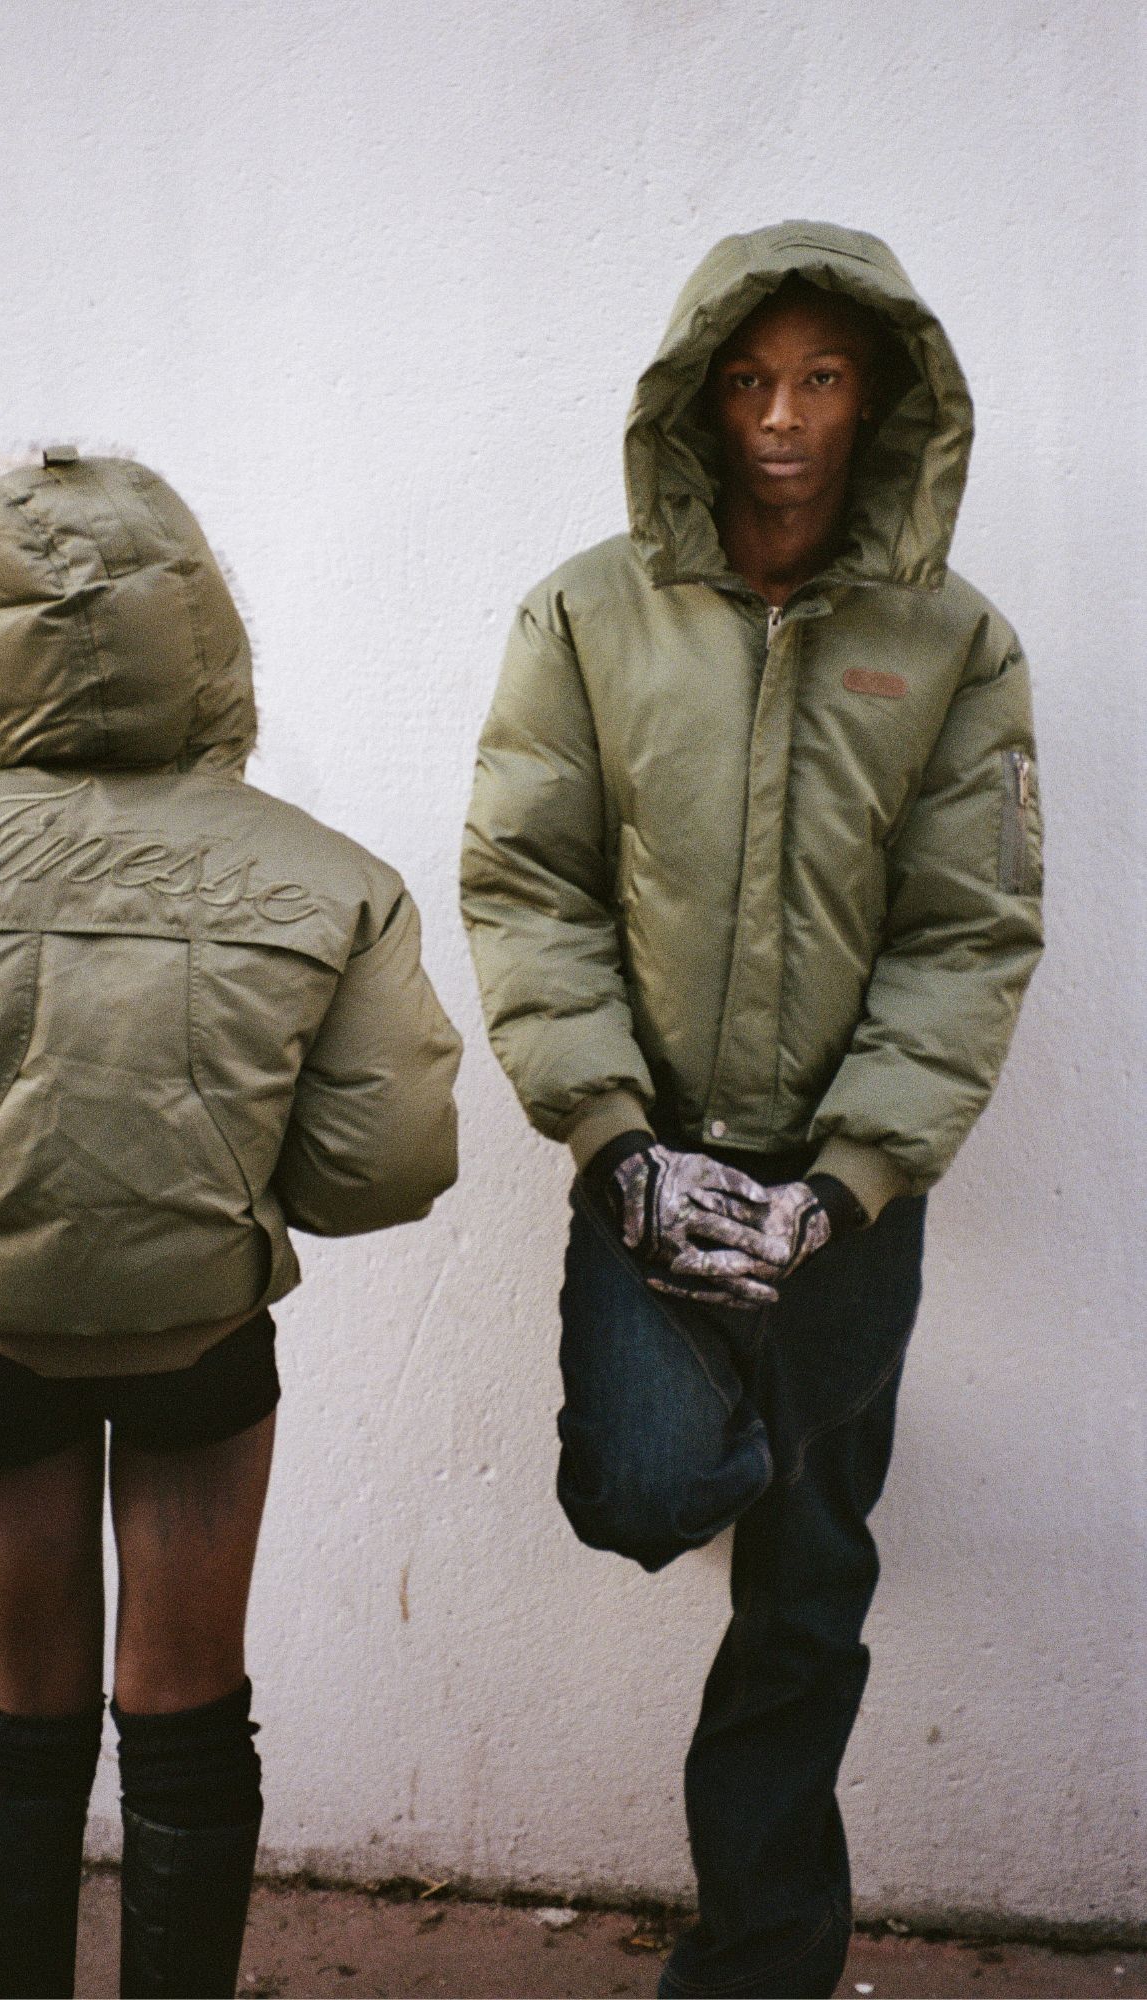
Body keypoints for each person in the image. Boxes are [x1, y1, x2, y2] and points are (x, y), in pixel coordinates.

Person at [0, 442, 462, 2000]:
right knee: (189, 1707)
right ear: (200, 625)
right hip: (208, 1344)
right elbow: (382, 1166)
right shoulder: (330, 876)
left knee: (23, 1709)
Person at [461, 221, 1043, 1998]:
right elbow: (529, 884)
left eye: (823, 379)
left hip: (845, 1195)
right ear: (698, 399)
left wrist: (847, 1187)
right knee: (646, 1487)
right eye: (749, 379)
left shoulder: (955, 644)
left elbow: (965, 932)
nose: (783, 417)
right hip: (650, 1158)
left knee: (807, 1584)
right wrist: (619, 1151)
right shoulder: (585, 614)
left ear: (882, 402)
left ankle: (761, 1962)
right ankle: (743, 1417)